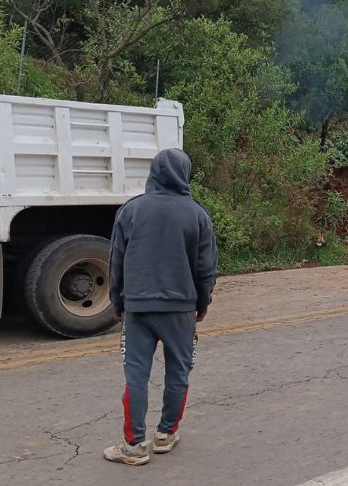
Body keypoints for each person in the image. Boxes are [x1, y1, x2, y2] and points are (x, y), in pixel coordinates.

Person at [104, 148, 218, 466]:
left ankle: (134, 446)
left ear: (153, 172)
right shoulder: (197, 214)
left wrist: (117, 301)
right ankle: (166, 434)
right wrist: (202, 303)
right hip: (181, 310)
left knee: (136, 376)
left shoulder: (131, 211)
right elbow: (206, 269)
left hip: (138, 308)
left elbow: (116, 261)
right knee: (178, 372)